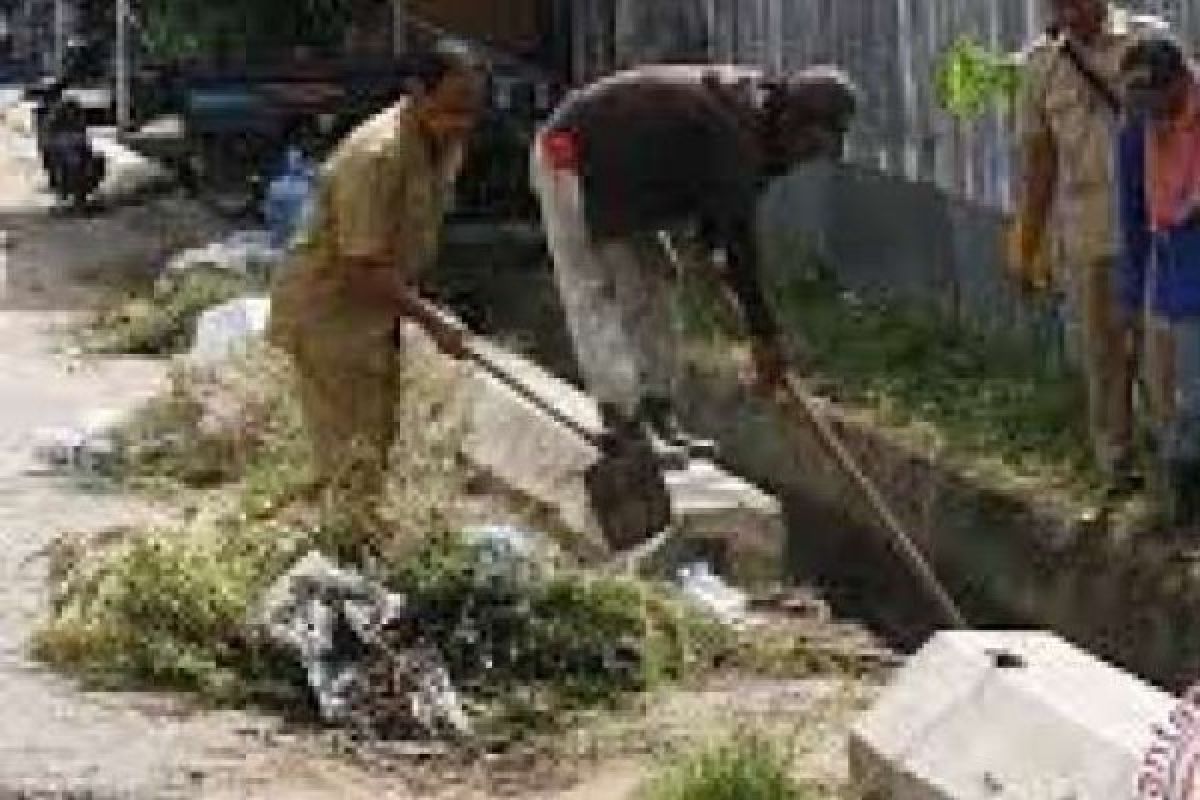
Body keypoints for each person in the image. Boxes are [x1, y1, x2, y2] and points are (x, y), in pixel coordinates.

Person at [530, 63, 858, 467]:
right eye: (810, 143)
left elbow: (719, 215)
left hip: (631, 183)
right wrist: (763, 335)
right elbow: (739, 241)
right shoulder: (736, 129)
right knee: (594, 292)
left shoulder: (766, 131)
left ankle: (656, 412)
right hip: (571, 152)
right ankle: (624, 427)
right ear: (792, 119)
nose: (809, 157)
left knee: (657, 279)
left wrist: (714, 260)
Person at [267, 40, 483, 538]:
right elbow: (360, 266)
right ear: (416, 92)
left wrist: (426, 303)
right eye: (453, 107)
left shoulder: (443, 143)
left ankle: (352, 541)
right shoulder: (375, 155)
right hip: (329, 311)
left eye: (472, 109)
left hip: (373, 309)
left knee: (375, 437)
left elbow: (411, 235)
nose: (463, 122)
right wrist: (432, 321)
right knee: (350, 453)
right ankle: (343, 552)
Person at [1010, 0, 1149, 495]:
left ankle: (1176, 473)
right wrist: (1027, 243)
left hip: (1156, 231)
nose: (1066, 13)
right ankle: (1117, 468)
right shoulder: (1041, 65)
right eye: (1057, 4)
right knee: (1103, 355)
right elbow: (1039, 163)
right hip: (1089, 233)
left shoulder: (1147, 41)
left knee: (1163, 355)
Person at [1117, 36, 1200, 526]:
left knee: (1195, 394)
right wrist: (1131, 295)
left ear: (1181, 84)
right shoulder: (1137, 129)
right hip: (1168, 270)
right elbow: (1132, 213)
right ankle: (1179, 508)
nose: (1152, 118)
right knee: (1168, 395)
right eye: (1141, 107)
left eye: (1157, 104)